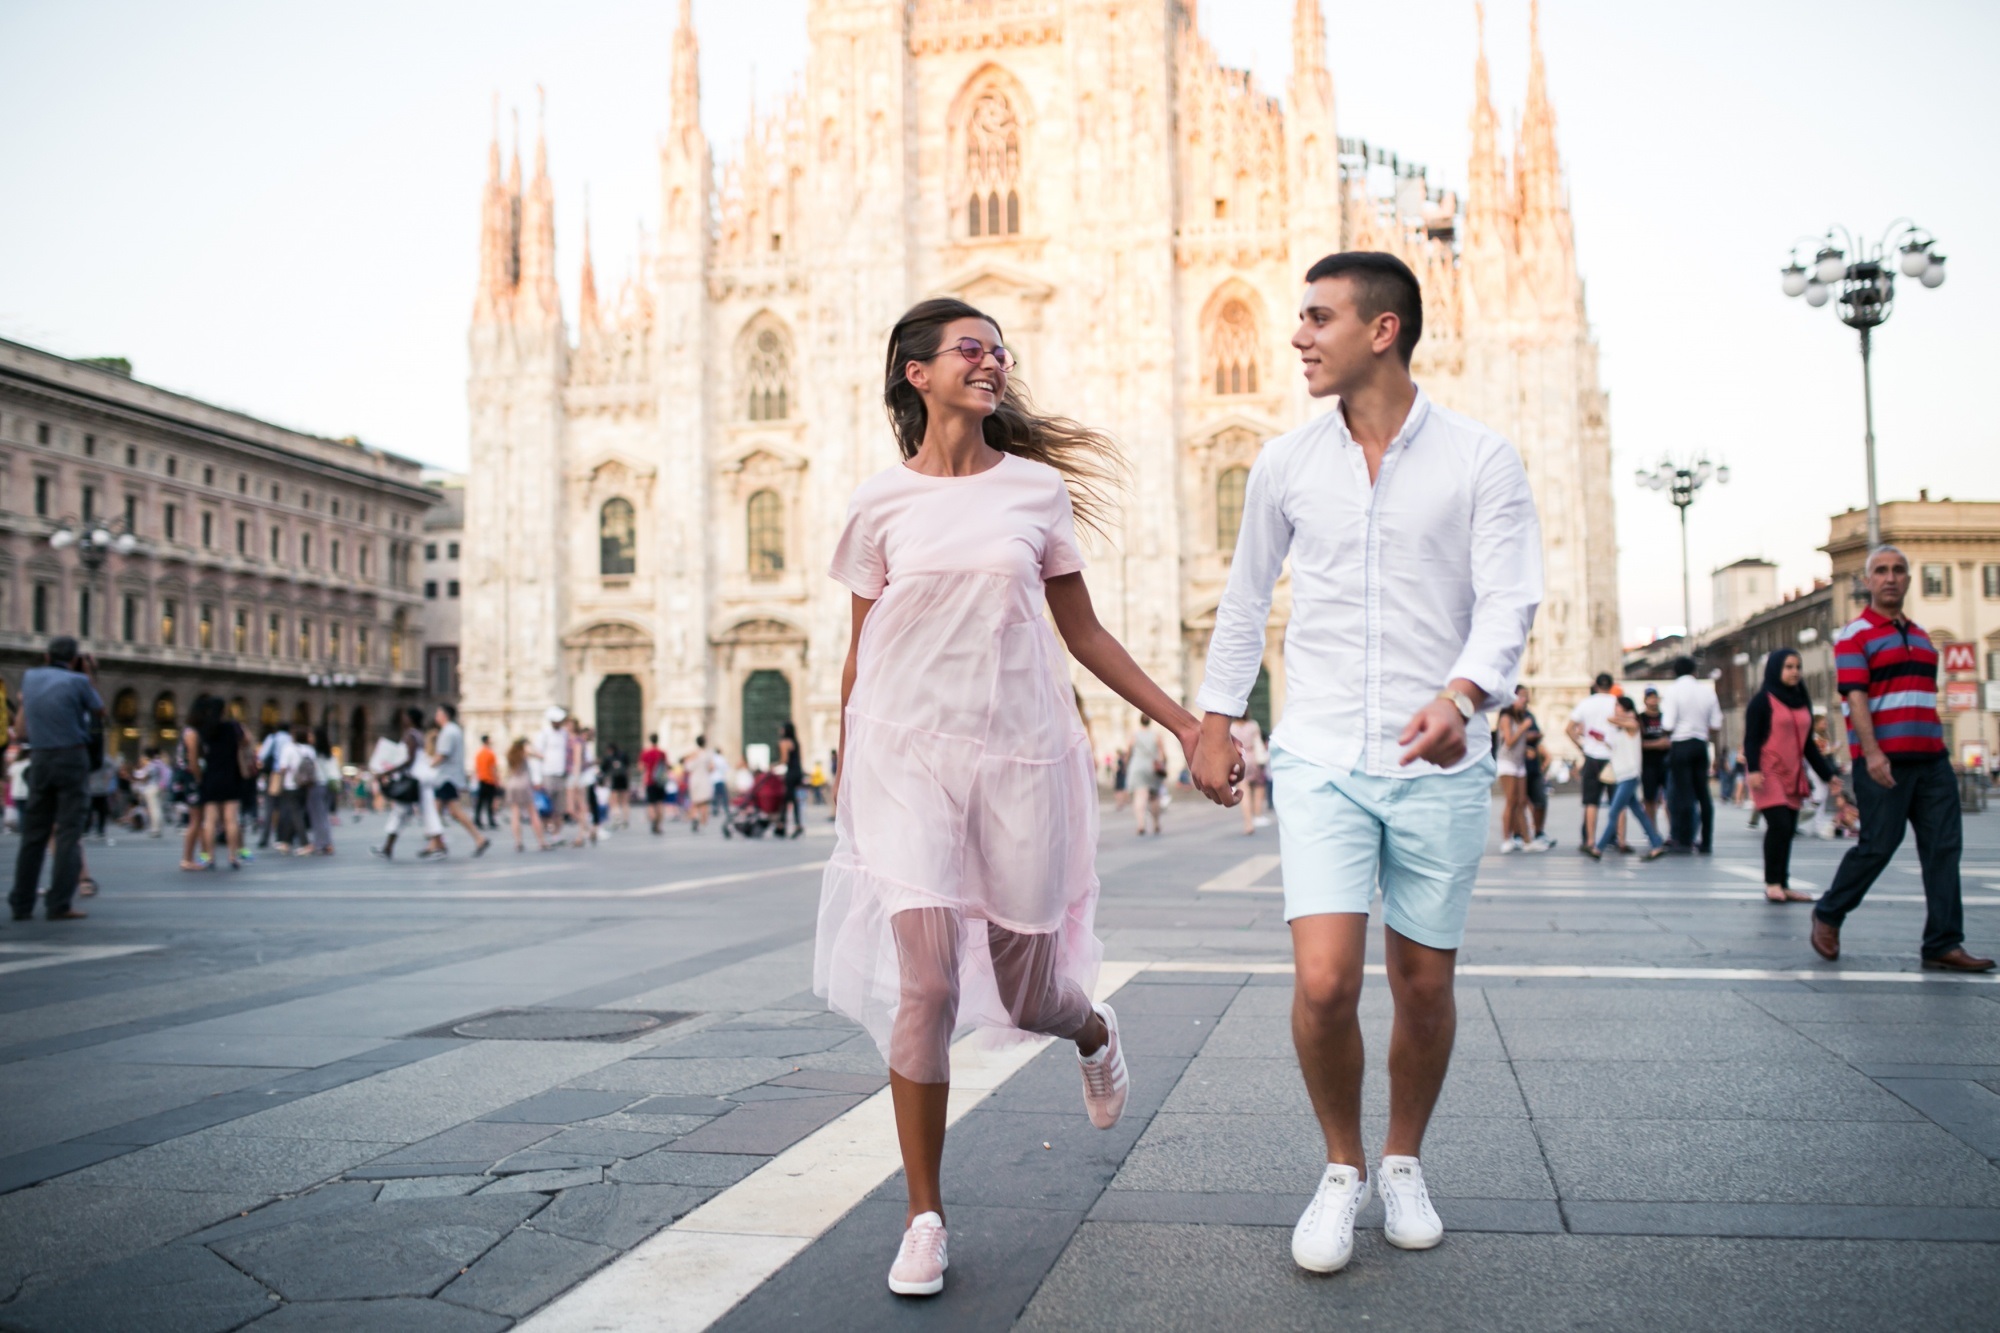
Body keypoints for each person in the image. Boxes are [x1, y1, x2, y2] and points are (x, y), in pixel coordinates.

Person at [821, 296, 1205, 1298]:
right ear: (918, 373)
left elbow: (1083, 634)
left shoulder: (1033, 491)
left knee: (1030, 990)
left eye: (997, 351)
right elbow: (862, 652)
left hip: (1015, 758)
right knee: (928, 986)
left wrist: (1185, 722)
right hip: (903, 760)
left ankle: (1092, 1031)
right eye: (969, 349)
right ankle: (922, 1216)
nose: (991, 363)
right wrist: (841, 760)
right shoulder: (875, 504)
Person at [1188, 252, 1541, 1275]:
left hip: (1438, 756)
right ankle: (1340, 1166)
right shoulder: (1284, 464)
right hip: (1320, 751)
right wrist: (1217, 719)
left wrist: (1461, 695)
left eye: (1315, 317)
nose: (1295, 334)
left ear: (1380, 330)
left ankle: (1401, 1159)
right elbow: (1246, 598)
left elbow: (1508, 597)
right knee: (1324, 979)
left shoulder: (1480, 458)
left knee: (1422, 986)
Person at [1811, 547, 1993, 971]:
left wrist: (1941, 756)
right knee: (1878, 846)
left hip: (1932, 760)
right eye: (1881, 571)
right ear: (1868, 582)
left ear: (1908, 580)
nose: (1890, 578)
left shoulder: (1924, 637)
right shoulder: (1854, 636)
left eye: (1898, 571)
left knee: (1944, 848)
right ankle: (1829, 912)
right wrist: (1871, 754)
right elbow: (1856, 698)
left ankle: (1943, 942)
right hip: (1884, 761)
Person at [9, 637, 104, 921]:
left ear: (45, 655)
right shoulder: (78, 682)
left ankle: (21, 903)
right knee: (68, 833)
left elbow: (23, 728)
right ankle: (59, 903)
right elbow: (99, 711)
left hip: (39, 758)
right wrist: (87, 675)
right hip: (71, 758)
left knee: (33, 835)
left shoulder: (29, 677)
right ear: (75, 659)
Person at [1743, 648, 1838, 902]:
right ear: (1776, 669)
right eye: (1788, 667)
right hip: (1767, 771)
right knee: (1779, 825)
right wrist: (1753, 769)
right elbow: (1751, 740)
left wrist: (1829, 775)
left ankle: (1783, 884)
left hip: (1793, 773)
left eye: (1798, 667)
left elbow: (1808, 745)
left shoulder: (1801, 699)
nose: (1795, 672)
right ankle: (1772, 883)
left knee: (1788, 828)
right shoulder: (1762, 701)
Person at [1588, 697, 1667, 859]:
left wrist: (1627, 715)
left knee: (1614, 812)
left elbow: (1609, 719)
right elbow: (1617, 747)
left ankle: (1599, 848)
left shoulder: (1633, 724)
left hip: (1629, 775)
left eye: (1617, 706)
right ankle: (1656, 842)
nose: (1615, 709)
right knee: (1638, 812)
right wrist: (1603, 740)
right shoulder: (1622, 729)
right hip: (1621, 774)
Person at [1660, 655, 1722, 853]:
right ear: (1695, 671)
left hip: (1681, 744)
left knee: (1682, 793)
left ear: (1674, 672)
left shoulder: (1672, 691)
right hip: (1700, 744)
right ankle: (1706, 841)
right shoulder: (1707, 692)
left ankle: (1683, 838)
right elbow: (1716, 724)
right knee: (1703, 794)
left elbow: (1668, 724)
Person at [192, 695, 253, 872]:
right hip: (230, 776)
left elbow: (199, 754)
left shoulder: (204, 729)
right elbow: (247, 740)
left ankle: (210, 858)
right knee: (231, 820)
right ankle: (233, 856)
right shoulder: (232, 727)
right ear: (224, 710)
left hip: (210, 776)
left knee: (210, 820)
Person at [424, 703, 490, 859]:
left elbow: (442, 755)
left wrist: (428, 766)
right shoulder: (455, 730)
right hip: (450, 777)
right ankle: (436, 844)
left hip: (446, 777)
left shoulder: (448, 732)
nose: (436, 716)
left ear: (444, 715)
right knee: (441, 811)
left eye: (438, 713)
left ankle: (477, 839)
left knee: (449, 811)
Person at [1566, 673, 1617, 853]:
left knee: (1591, 802)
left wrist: (1582, 747)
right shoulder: (1616, 702)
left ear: (1595, 686)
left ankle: (1590, 840)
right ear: (1611, 685)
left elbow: (1569, 728)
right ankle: (1618, 838)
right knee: (1616, 802)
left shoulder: (1586, 703)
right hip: (1612, 758)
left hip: (1592, 757)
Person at [1512, 686, 1555, 852]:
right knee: (1517, 802)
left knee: (1540, 801)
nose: (1526, 699)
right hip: (1516, 765)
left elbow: (1537, 734)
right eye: (1523, 696)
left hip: (1533, 766)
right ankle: (1517, 835)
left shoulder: (1529, 715)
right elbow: (1508, 740)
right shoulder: (1509, 715)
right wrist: (1527, 736)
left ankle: (1538, 832)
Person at [1495, 694, 1534, 851]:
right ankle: (1506, 838)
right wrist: (1523, 728)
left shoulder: (1519, 719)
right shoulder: (1506, 718)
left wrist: (1527, 749)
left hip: (1518, 763)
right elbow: (1509, 741)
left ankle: (1527, 840)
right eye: (1520, 697)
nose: (1524, 700)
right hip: (1507, 763)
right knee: (1511, 801)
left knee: (1521, 801)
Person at [503, 737, 549, 851]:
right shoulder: (524, 752)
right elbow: (541, 757)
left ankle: (518, 842)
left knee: (515, 814)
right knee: (533, 813)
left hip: (512, 784)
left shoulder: (510, 754)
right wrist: (531, 747)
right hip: (524, 784)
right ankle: (541, 841)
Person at [1126, 716, 1167, 836]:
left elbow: (1128, 751)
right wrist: (1163, 765)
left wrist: (1127, 764)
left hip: (1137, 766)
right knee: (1154, 796)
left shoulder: (1134, 735)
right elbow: (1162, 753)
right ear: (1150, 722)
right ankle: (1156, 823)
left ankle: (1141, 824)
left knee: (1140, 796)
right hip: (1152, 766)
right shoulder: (1156, 735)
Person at [1230, 713, 1270, 835]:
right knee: (1259, 786)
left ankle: (1248, 822)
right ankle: (1257, 814)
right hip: (1254, 759)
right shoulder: (1253, 725)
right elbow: (1258, 741)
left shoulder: (1232, 727)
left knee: (1244, 790)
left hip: (1240, 759)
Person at [1638, 688, 1670, 833]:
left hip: (1666, 763)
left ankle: (1672, 831)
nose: (1653, 700)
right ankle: (1652, 831)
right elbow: (1638, 743)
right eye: (1650, 698)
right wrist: (1657, 744)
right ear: (1645, 700)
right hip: (1648, 764)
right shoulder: (1640, 719)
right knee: (1649, 799)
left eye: (1655, 697)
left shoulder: (1666, 717)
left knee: (1669, 798)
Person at [777, 721, 806, 839]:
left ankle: (790, 825)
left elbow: (784, 760)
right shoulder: (796, 742)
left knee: (789, 799)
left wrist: (774, 765)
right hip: (798, 772)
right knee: (789, 799)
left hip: (790, 773)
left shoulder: (784, 742)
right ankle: (782, 824)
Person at [682, 735, 714, 832]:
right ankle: (702, 822)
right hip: (704, 779)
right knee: (704, 803)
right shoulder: (708, 754)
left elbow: (687, 767)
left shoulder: (693, 754)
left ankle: (694, 818)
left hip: (694, 780)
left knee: (695, 803)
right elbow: (711, 768)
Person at [640, 734, 669, 834]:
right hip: (660, 781)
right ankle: (659, 825)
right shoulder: (662, 753)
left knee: (651, 803)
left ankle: (653, 820)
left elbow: (641, 767)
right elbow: (666, 766)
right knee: (660, 803)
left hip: (649, 781)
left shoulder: (646, 753)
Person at [472, 734, 501, 831]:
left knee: (480, 801)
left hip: (481, 779)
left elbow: (476, 768)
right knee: (490, 802)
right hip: (490, 780)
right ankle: (491, 820)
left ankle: (477, 819)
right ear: (487, 741)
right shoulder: (490, 753)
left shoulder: (479, 753)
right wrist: (497, 780)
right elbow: (493, 768)